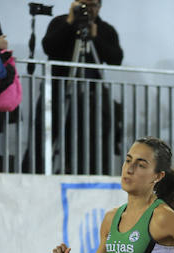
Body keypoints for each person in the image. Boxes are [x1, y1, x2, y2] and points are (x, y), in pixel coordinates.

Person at [23, 0, 123, 175]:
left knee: (90, 142)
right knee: (42, 138)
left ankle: (89, 176)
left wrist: (95, 38)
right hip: (57, 92)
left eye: (92, 5)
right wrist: (70, 20)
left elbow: (116, 58)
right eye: (83, 3)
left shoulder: (105, 29)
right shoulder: (61, 23)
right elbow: (49, 47)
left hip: (91, 99)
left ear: (99, 7)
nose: (87, 9)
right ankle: (33, 175)